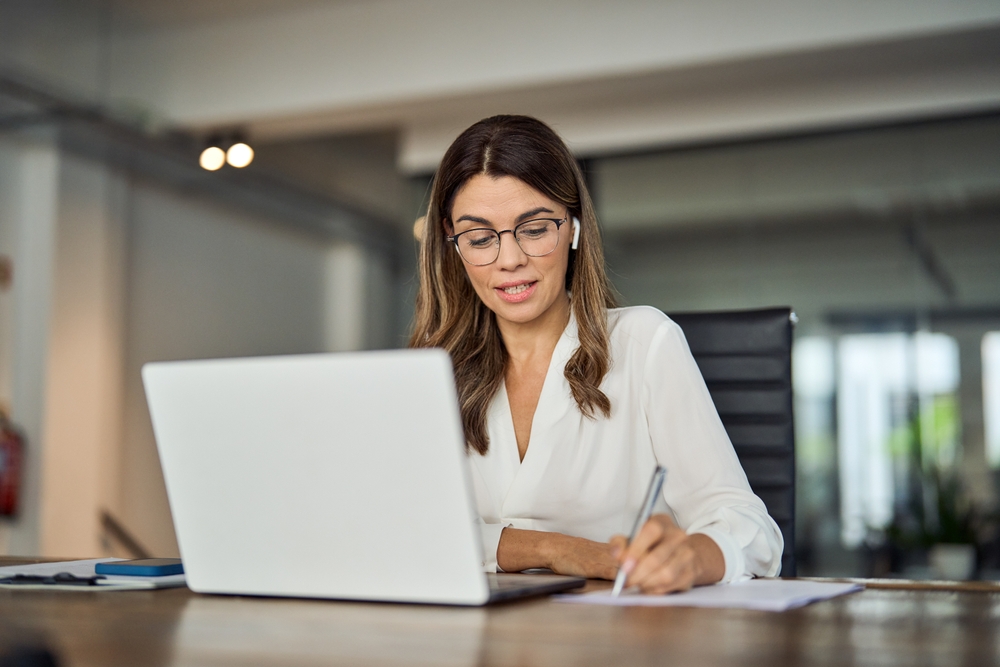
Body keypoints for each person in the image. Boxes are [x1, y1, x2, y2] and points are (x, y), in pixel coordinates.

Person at [410, 115, 782, 593]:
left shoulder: (644, 342)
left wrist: (694, 557)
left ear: (573, 226)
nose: (509, 260)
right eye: (480, 238)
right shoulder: (431, 373)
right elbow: (410, 533)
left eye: (534, 229)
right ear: (453, 243)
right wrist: (557, 550)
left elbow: (751, 527)